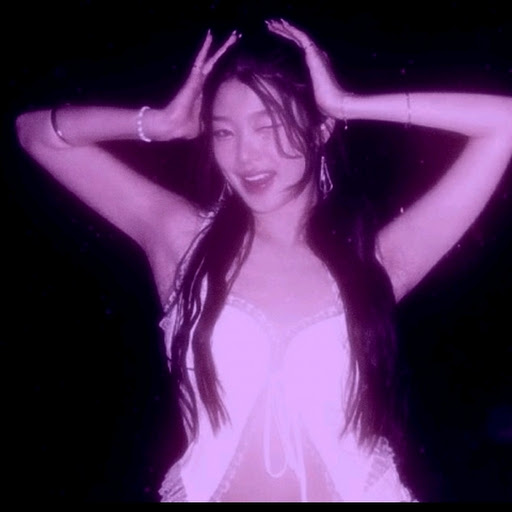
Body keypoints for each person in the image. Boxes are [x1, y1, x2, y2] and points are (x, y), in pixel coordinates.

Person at [15, 18, 512, 502]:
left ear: (319, 130)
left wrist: (348, 104)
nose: (246, 156)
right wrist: (157, 124)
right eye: (223, 133)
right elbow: (34, 134)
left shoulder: (377, 261)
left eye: (267, 126)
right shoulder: (181, 241)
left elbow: (503, 124)